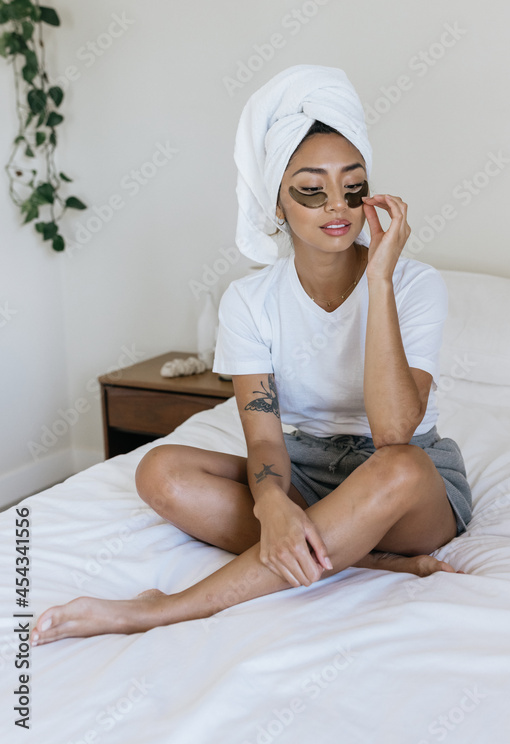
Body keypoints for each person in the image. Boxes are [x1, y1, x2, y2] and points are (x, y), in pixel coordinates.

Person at [29, 65, 472, 646]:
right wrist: (271, 503)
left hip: (406, 488)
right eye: (311, 190)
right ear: (277, 204)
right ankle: (364, 560)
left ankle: (162, 610)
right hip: (304, 470)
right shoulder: (249, 300)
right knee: (159, 470)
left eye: (353, 186)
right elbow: (264, 440)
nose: (337, 206)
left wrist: (380, 281)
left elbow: (394, 432)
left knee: (398, 466)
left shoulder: (414, 284)